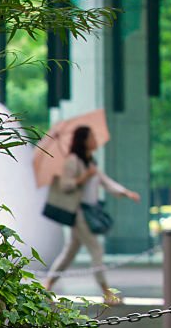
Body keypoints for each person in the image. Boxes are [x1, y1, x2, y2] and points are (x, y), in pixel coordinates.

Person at [43, 125, 140, 305]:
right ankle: (107, 292)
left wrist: (126, 192)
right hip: (80, 213)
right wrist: (84, 177)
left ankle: (47, 284)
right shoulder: (73, 161)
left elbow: (105, 181)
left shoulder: (91, 162)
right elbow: (66, 185)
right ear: (84, 141)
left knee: (70, 251)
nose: (95, 140)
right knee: (96, 250)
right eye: (91, 137)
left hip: (89, 210)